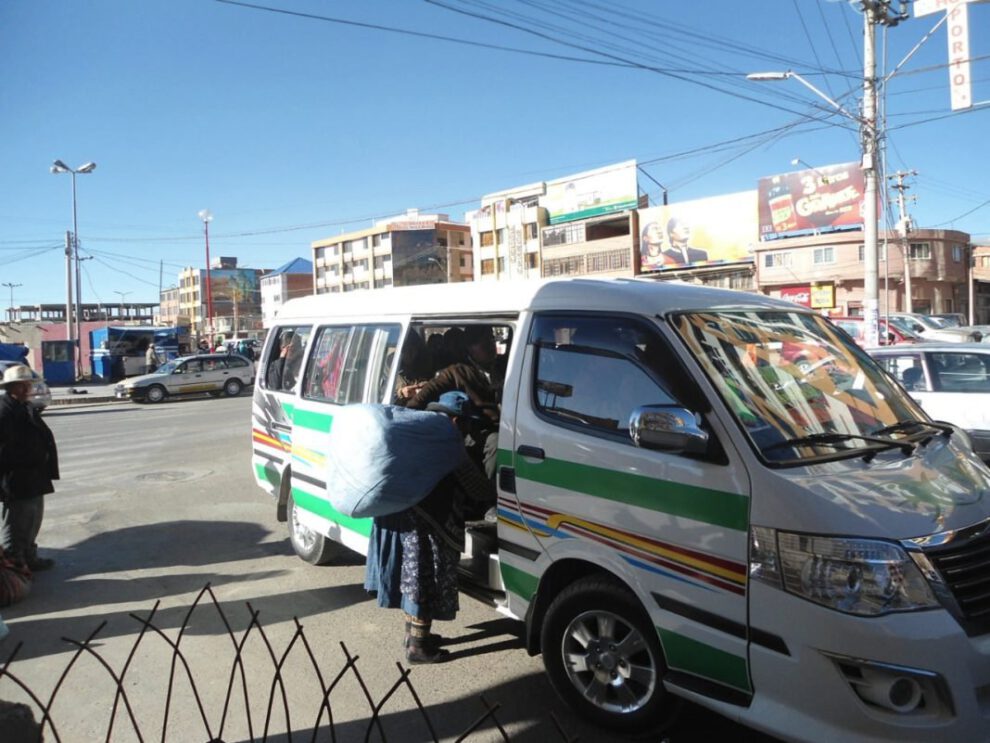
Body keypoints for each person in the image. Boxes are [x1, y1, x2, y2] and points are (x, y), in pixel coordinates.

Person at [364, 391, 494, 664]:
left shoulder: (417, 435)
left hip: (396, 518)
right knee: (424, 581)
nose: (469, 431)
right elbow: (477, 487)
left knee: (409, 580)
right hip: (424, 525)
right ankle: (419, 648)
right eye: (468, 424)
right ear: (456, 421)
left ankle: (412, 636)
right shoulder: (447, 442)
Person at [407, 326, 505, 480]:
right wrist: (406, 418)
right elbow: (423, 396)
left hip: (514, 421)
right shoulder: (457, 372)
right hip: (482, 428)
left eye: (491, 339)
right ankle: (491, 493)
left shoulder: (504, 364)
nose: (490, 345)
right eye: (483, 343)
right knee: (498, 441)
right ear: (470, 349)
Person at [0, 365, 59, 572]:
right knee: (16, 524)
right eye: (21, 385)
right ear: (11, 387)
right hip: (17, 479)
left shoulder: (24, 406)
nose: (26, 389)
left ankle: (29, 557)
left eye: (28, 385)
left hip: (34, 476)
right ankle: (14, 565)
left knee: (33, 520)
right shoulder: (4, 409)